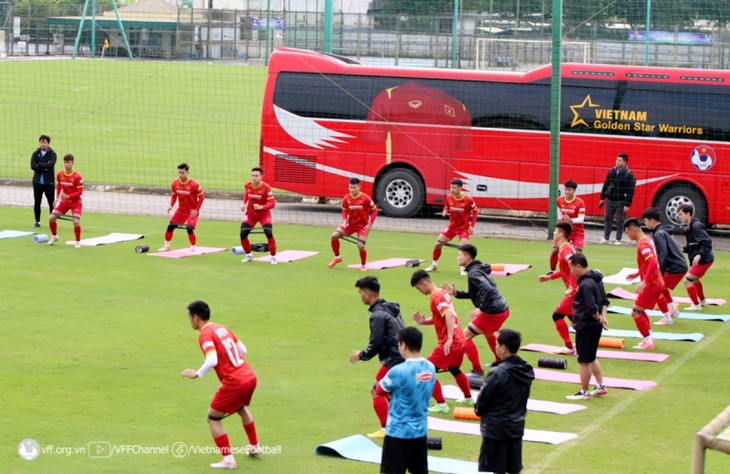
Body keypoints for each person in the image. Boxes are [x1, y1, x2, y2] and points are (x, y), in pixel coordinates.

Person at [181, 300, 261, 470]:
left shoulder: (204, 334)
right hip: (250, 377)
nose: (189, 321)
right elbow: (243, 350)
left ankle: (229, 460)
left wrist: (197, 373)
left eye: (189, 318)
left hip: (235, 382)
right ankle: (255, 446)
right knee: (241, 408)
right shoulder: (222, 327)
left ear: (196, 317)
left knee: (213, 418)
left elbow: (212, 359)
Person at [349, 276, 405, 439]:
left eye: (360, 293)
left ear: (367, 294)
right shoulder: (390, 307)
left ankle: (387, 429)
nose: (360, 296)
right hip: (402, 355)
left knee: (377, 390)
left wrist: (362, 354)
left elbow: (376, 343)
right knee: (391, 394)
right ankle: (398, 424)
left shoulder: (378, 315)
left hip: (394, 359)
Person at [374, 327, 436, 474]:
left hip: (398, 433)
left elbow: (379, 390)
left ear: (403, 345)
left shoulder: (398, 371)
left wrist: (392, 393)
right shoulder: (431, 367)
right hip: (420, 432)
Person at [411, 269, 474, 412]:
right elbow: (442, 315)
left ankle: (441, 405)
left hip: (451, 342)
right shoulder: (442, 292)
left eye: (418, 287)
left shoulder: (436, 297)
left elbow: (449, 315)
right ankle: (468, 398)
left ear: (424, 282)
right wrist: (424, 322)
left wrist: (449, 338)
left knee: (426, 371)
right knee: (455, 369)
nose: (419, 290)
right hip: (461, 340)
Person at [474, 328, 534, 474]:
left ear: (503, 348)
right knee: (513, 469)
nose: (495, 347)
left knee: (494, 469)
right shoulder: (525, 369)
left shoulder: (498, 373)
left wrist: (479, 410)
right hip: (516, 427)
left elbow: (482, 401)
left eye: (496, 344)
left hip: (496, 430)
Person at [442, 244, 510, 370]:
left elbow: (488, 290)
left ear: (467, 257)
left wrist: (481, 308)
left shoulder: (473, 273)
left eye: (459, 255)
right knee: (488, 334)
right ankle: (499, 362)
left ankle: (477, 370)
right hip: (502, 309)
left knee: (464, 337)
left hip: (492, 312)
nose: (457, 258)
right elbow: (476, 293)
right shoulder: (478, 268)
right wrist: (456, 293)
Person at [565, 253, 609, 400]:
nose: (571, 271)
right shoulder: (597, 279)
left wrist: (598, 318)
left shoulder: (585, 284)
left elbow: (591, 308)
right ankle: (600, 386)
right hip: (594, 326)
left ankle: (584, 392)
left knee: (583, 360)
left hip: (587, 326)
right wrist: (603, 318)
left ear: (578, 266)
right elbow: (604, 301)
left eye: (572, 268)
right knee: (591, 357)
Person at [642, 207, 688, 324]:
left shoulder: (659, 234)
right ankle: (673, 310)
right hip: (679, 265)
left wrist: (659, 273)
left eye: (646, 221)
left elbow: (663, 254)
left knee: (657, 289)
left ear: (653, 221)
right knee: (663, 288)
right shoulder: (664, 231)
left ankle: (667, 318)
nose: (645, 224)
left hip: (675, 267)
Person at [538, 222, 578, 354]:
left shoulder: (566, 249)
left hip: (575, 291)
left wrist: (572, 287)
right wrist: (549, 277)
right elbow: (565, 270)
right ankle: (583, 343)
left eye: (555, 232)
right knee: (575, 320)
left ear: (561, 234)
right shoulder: (565, 248)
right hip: (576, 290)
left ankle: (569, 347)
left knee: (557, 315)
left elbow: (573, 266)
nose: (554, 233)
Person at [425, 178, 478, 275]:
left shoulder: (468, 200)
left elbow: (475, 211)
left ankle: (463, 268)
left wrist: (472, 226)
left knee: (464, 248)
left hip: (464, 228)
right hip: (452, 227)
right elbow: (447, 206)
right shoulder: (449, 197)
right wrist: (445, 211)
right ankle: (434, 265)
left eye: (454, 187)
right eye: (451, 187)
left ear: (460, 188)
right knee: (438, 244)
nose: (451, 189)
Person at [623, 218, 663, 350]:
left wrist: (644, 282)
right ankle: (649, 337)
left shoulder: (643, 245)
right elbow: (649, 262)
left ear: (634, 230)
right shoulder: (647, 240)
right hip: (655, 281)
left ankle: (648, 341)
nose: (628, 235)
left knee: (635, 312)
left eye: (628, 232)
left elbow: (652, 263)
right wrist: (637, 274)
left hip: (652, 283)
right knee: (640, 309)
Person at [328, 177, 378, 271]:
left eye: (354, 187)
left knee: (361, 245)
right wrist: (344, 219)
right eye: (350, 187)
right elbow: (344, 209)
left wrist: (370, 224)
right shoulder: (346, 198)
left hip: (362, 227)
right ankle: (337, 257)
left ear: (359, 187)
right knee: (334, 236)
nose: (352, 189)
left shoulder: (365, 198)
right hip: (350, 225)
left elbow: (375, 210)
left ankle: (363, 265)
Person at [159, 163, 205, 252]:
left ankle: (193, 248)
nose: (180, 175)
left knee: (189, 228)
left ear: (188, 172)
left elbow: (202, 197)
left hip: (192, 210)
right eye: (179, 172)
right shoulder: (175, 183)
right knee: (170, 226)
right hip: (181, 210)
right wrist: (171, 205)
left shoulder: (194, 184)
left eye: (183, 173)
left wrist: (196, 210)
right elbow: (174, 195)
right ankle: (166, 246)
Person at [678, 204, 715, 311]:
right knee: (695, 280)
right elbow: (692, 245)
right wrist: (682, 249)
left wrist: (700, 255)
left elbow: (707, 242)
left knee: (687, 280)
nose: (679, 217)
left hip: (704, 260)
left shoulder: (695, 226)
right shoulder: (688, 228)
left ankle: (696, 305)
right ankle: (703, 301)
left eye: (681, 214)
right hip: (702, 259)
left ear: (688, 214)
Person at [239, 167, 278, 265]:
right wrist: (244, 204)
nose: (254, 178)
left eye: (256, 176)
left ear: (261, 177)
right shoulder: (248, 185)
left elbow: (272, 203)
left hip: (263, 214)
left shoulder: (266, 188)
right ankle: (248, 255)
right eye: (252, 175)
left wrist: (261, 207)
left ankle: (273, 257)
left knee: (268, 232)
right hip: (251, 214)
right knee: (243, 234)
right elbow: (246, 194)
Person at [599, 153, 636, 245]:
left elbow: (631, 191)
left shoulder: (629, 175)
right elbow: (606, 184)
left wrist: (627, 204)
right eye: (616, 160)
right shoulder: (612, 171)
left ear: (624, 162)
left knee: (620, 220)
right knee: (607, 218)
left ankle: (618, 239)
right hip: (610, 199)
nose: (617, 162)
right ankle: (605, 237)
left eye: (619, 160)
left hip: (621, 201)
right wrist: (602, 197)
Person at [48, 154, 83, 248]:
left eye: (68, 162)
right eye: (65, 162)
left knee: (75, 221)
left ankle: (78, 241)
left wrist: (67, 196)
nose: (66, 164)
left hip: (76, 203)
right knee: (51, 218)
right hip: (65, 202)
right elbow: (59, 185)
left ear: (73, 163)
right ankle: (54, 236)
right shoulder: (60, 174)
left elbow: (80, 192)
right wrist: (57, 198)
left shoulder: (78, 177)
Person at [549, 180, 585, 272]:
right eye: (565, 189)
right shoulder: (559, 200)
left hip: (577, 231)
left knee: (578, 253)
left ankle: (580, 272)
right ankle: (552, 271)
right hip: (565, 231)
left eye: (569, 190)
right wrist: (561, 222)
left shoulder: (580, 202)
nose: (567, 192)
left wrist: (571, 220)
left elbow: (581, 219)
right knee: (555, 250)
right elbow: (560, 213)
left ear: (574, 190)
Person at [31, 134, 57, 228]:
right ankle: (37, 221)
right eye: (41, 142)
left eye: (44, 142)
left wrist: (40, 165)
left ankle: (52, 221)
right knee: (37, 202)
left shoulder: (52, 154)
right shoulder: (35, 153)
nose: (43, 144)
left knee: (51, 202)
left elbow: (51, 165)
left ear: (48, 144)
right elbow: (33, 166)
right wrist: (45, 166)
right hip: (37, 182)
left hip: (48, 182)